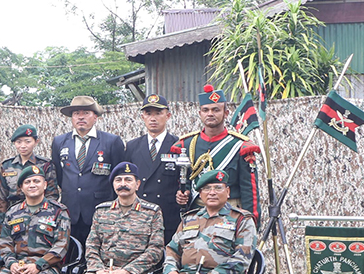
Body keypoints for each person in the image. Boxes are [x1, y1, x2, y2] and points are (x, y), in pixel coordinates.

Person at [172, 85, 261, 222]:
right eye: (205, 110)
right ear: (200, 113)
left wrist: (251, 223)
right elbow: (187, 180)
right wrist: (185, 194)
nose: (210, 114)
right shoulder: (187, 144)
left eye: (216, 110)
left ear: (226, 113)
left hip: (230, 212)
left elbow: (249, 192)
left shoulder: (241, 146)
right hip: (198, 212)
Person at [51, 95, 125, 248]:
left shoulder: (111, 141)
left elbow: (119, 177)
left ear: (95, 116)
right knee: (70, 256)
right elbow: (59, 174)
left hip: (101, 211)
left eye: (86, 113)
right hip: (69, 211)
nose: (81, 117)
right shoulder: (59, 142)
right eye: (76, 113)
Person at [124, 94, 182, 243]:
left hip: (168, 216)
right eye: (148, 113)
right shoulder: (132, 146)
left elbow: (186, 180)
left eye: (158, 113)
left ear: (168, 115)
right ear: (143, 117)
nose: (153, 118)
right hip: (138, 216)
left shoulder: (180, 145)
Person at [0, 124, 59, 218]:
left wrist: (45, 214)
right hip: (13, 215)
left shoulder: (45, 165)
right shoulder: (7, 166)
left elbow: (52, 195)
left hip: (39, 214)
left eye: (27, 141)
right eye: (19, 142)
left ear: (36, 142)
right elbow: (1, 198)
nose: (23, 146)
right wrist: (2, 223)